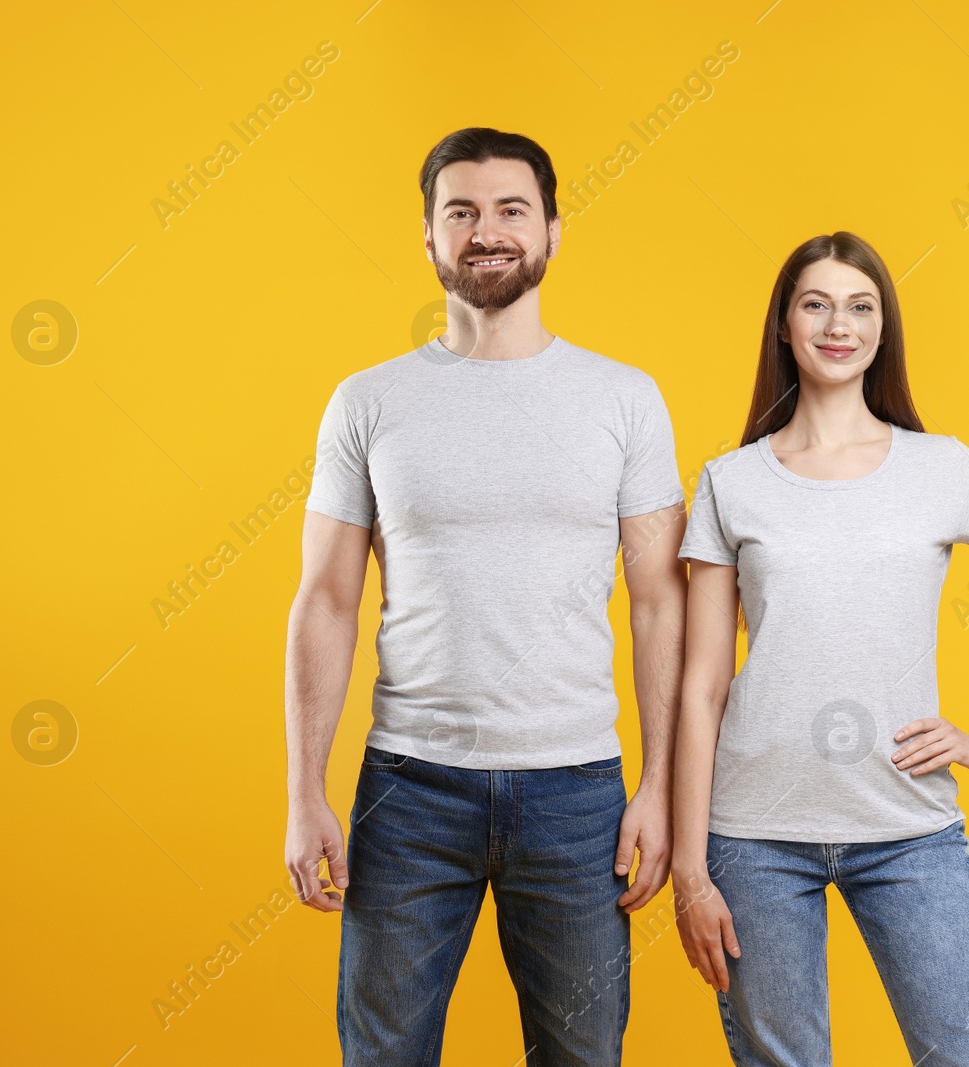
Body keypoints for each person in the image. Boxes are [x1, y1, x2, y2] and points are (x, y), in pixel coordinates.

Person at [284, 127, 688, 1067]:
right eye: (460, 211)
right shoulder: (367, 401)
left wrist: (660, 787)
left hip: (578, 792)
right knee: (382, 1055)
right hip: (409, 789)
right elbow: (325, 601)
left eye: (511, 208)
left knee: (581, 1056)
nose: (486, 230)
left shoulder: (626, 399)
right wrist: (305, 791)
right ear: (427, 237)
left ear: (553, 228)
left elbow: (661, 603)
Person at [671, 231, 969, 1066]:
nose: (840, 324)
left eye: (861, 306)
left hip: (908, 825)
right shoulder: (732, 480)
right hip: (753, 832)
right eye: (817, 303)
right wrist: (692, 870)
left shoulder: (943, 467)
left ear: (883, 327)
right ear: (785, 326)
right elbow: (700, 687)